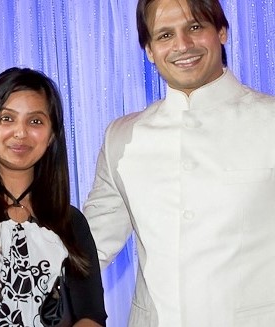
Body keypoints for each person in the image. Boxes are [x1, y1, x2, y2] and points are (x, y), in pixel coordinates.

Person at [83, 0, 275, 326]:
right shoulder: (123, 136)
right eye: (165, 35)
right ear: (149, 50)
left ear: (222, 32)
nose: (182, 45)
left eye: (195, 28)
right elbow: (89, 250)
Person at [0, 67, 107, 327]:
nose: (20, 133)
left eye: (35, 121)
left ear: (52, 134)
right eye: (7, 119)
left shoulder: (71, 222)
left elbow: (91, 316)